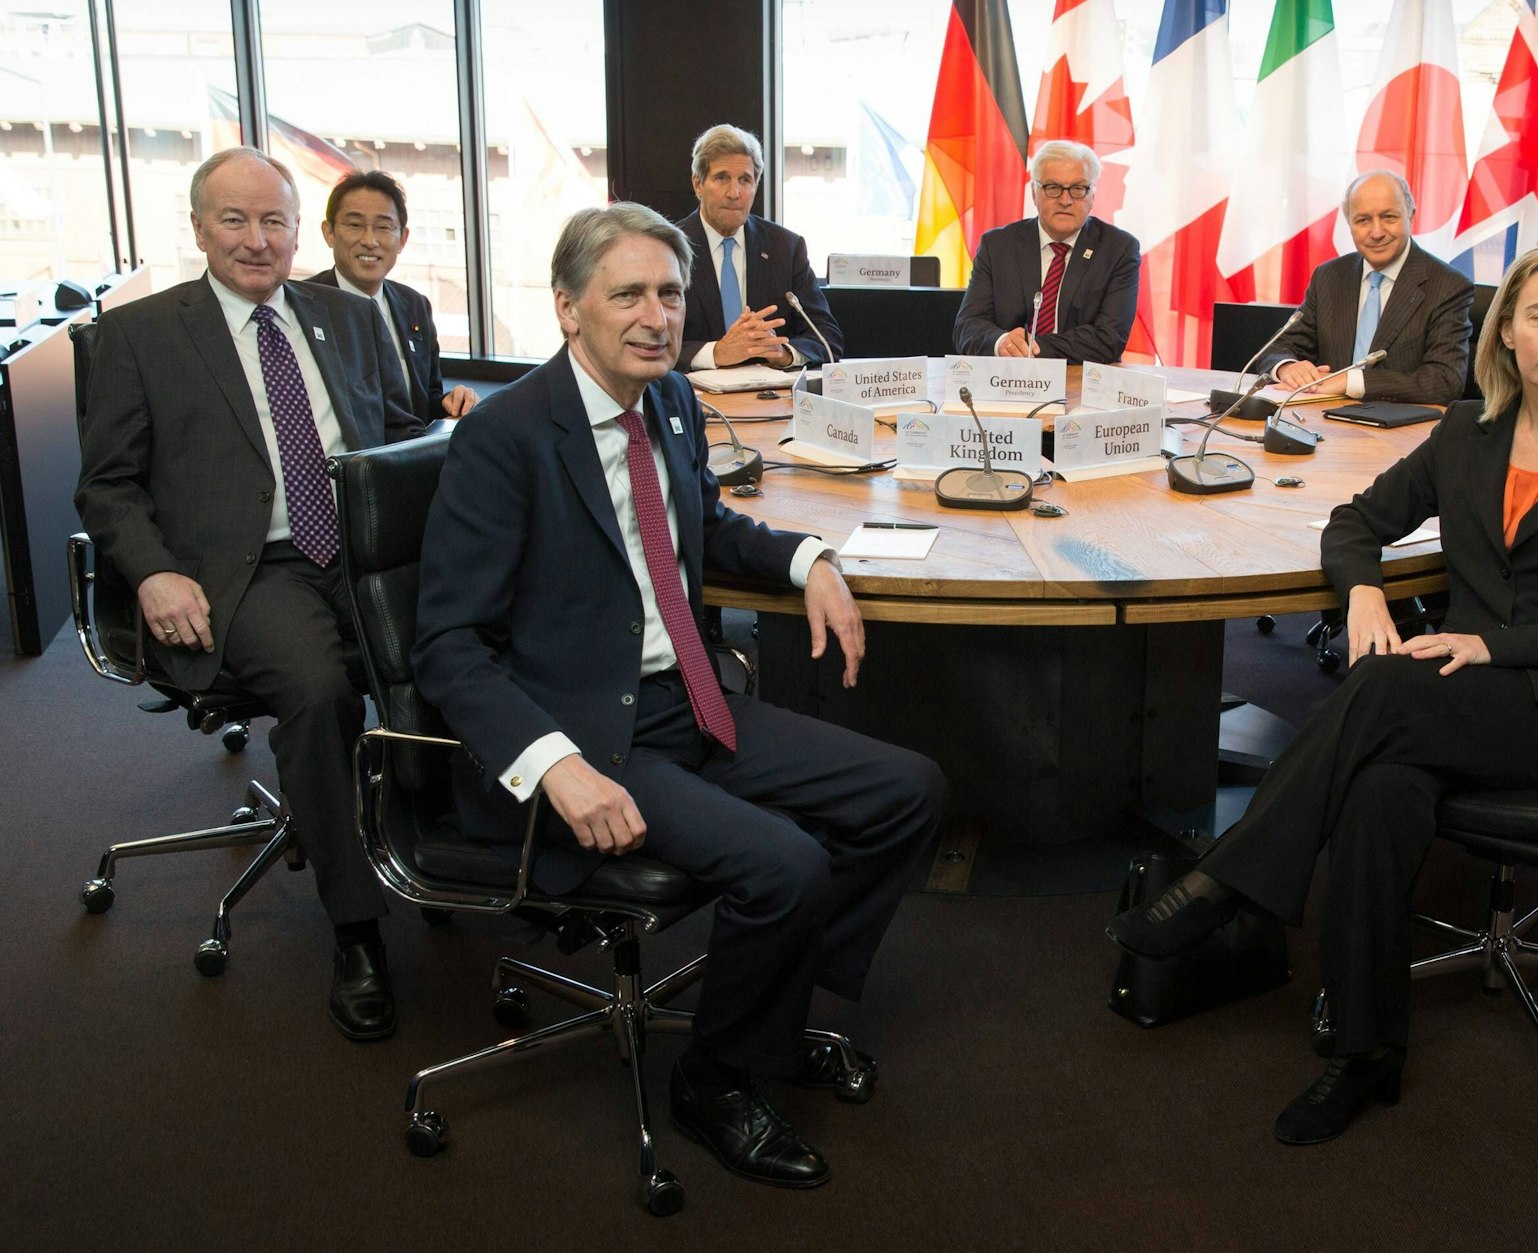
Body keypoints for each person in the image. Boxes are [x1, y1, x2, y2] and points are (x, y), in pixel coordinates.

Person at [411, 202, 946, 1190]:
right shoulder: (505, 439)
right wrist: (553, 764)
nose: (657, 315)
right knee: (783, 865)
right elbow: (447, 648)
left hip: (687, 698)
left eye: (669, 291)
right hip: (584, 735)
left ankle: (769, 1020)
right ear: (569, 307)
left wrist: (808, 556)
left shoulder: (668, 403)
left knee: (905, 791)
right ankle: (716, 1075)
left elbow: (707, 520)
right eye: (628, 294)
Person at [1107, 243, 1538, 1146]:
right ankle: (1366, 1053)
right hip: (1462, 697)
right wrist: (1365, 586)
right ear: (1509, 332)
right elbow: (1356, 522)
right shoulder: (1465, 432)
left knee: (1384, 685)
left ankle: (1226, 882)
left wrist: (1490, 643)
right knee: (1379, 789)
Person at [76, 147, 425, 1040]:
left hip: (362, 551)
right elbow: (107, 485)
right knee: (319, 690)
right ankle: (358, 929)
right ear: (198, 228)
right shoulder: (142, 334)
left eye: (274, 221)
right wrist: (152, 570)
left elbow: (390, 436)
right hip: (244, 568)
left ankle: (452, 854)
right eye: (234, 219)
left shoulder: (345, 318)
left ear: (297, 230)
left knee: (465, 645)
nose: (256, 239)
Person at [1259, 170, 1474, 404]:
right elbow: (1279, 347)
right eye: (1363, 220)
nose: (1377, 232)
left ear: (1410, 216)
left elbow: (1445, 381)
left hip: (1401, 432)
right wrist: (1288, 367)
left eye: (1389, 217)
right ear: (1349, 224)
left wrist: (1350, 381)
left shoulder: (1449, 286)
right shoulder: (1329, 277)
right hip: (1324, 425)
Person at [306, 168, 479, 421]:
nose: (370, 240)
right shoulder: (302, 305)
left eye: (384, 227)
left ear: (402, 239)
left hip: (407, 458)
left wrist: (452, 402)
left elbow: (425, 404)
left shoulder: (415, 306)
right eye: (355, 225)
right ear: (329, 232)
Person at [953, 140, 1140, 364]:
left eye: (1078, 189)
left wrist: (1028, 346)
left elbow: (1109, 338)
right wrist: (1002, 341)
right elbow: (967, 326)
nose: (1065, 200)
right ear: (1034, 193)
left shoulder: (1118, 249)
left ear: (1092, 197)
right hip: (1006, 382)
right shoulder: (997, 246)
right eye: (1053, 188)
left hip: (1083, 383)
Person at [676, 123, 844, 370]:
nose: (734, 193)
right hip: (694, 399)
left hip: (771, 399)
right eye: (722, 178)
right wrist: (716, 352)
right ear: (698, 184)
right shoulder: (667, 248)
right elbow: (649, 342)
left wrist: (785, 353)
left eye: (745, 180)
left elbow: (826, 337)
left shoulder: (785, 247)